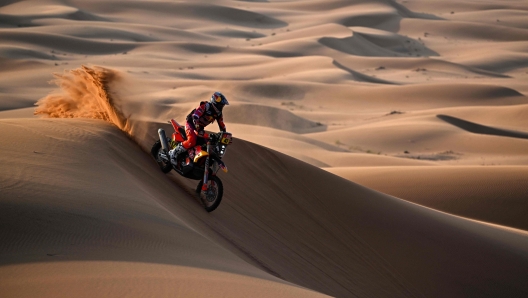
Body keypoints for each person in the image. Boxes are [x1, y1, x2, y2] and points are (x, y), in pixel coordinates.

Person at [169, 91, 229, 162]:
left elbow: (222, 125)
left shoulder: (218, 114)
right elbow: (195, 116)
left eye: (222, 106)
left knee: (206, 144)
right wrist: (197, 127)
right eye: (220, 105)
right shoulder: (206, 106)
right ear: (215, 103)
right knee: (192, 141)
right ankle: (173, 153)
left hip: (199, 128)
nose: (221, 107)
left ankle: (192, 158)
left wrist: (225, 135)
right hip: (191, 123)